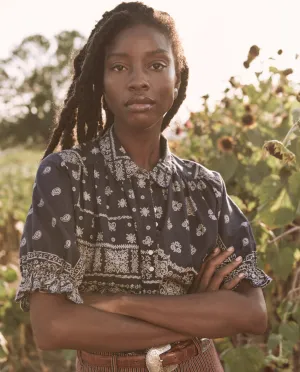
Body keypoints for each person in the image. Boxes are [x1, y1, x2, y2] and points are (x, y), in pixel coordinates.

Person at [15, 2, 272, 371]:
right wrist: (194, 314)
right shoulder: (66, 176)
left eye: (156, 65)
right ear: (99, 81)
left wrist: (119, 302)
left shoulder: (206, 189)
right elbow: (52, 326)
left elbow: (251, 313)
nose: (139, 80)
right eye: (119, 67)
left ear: (177, 77)